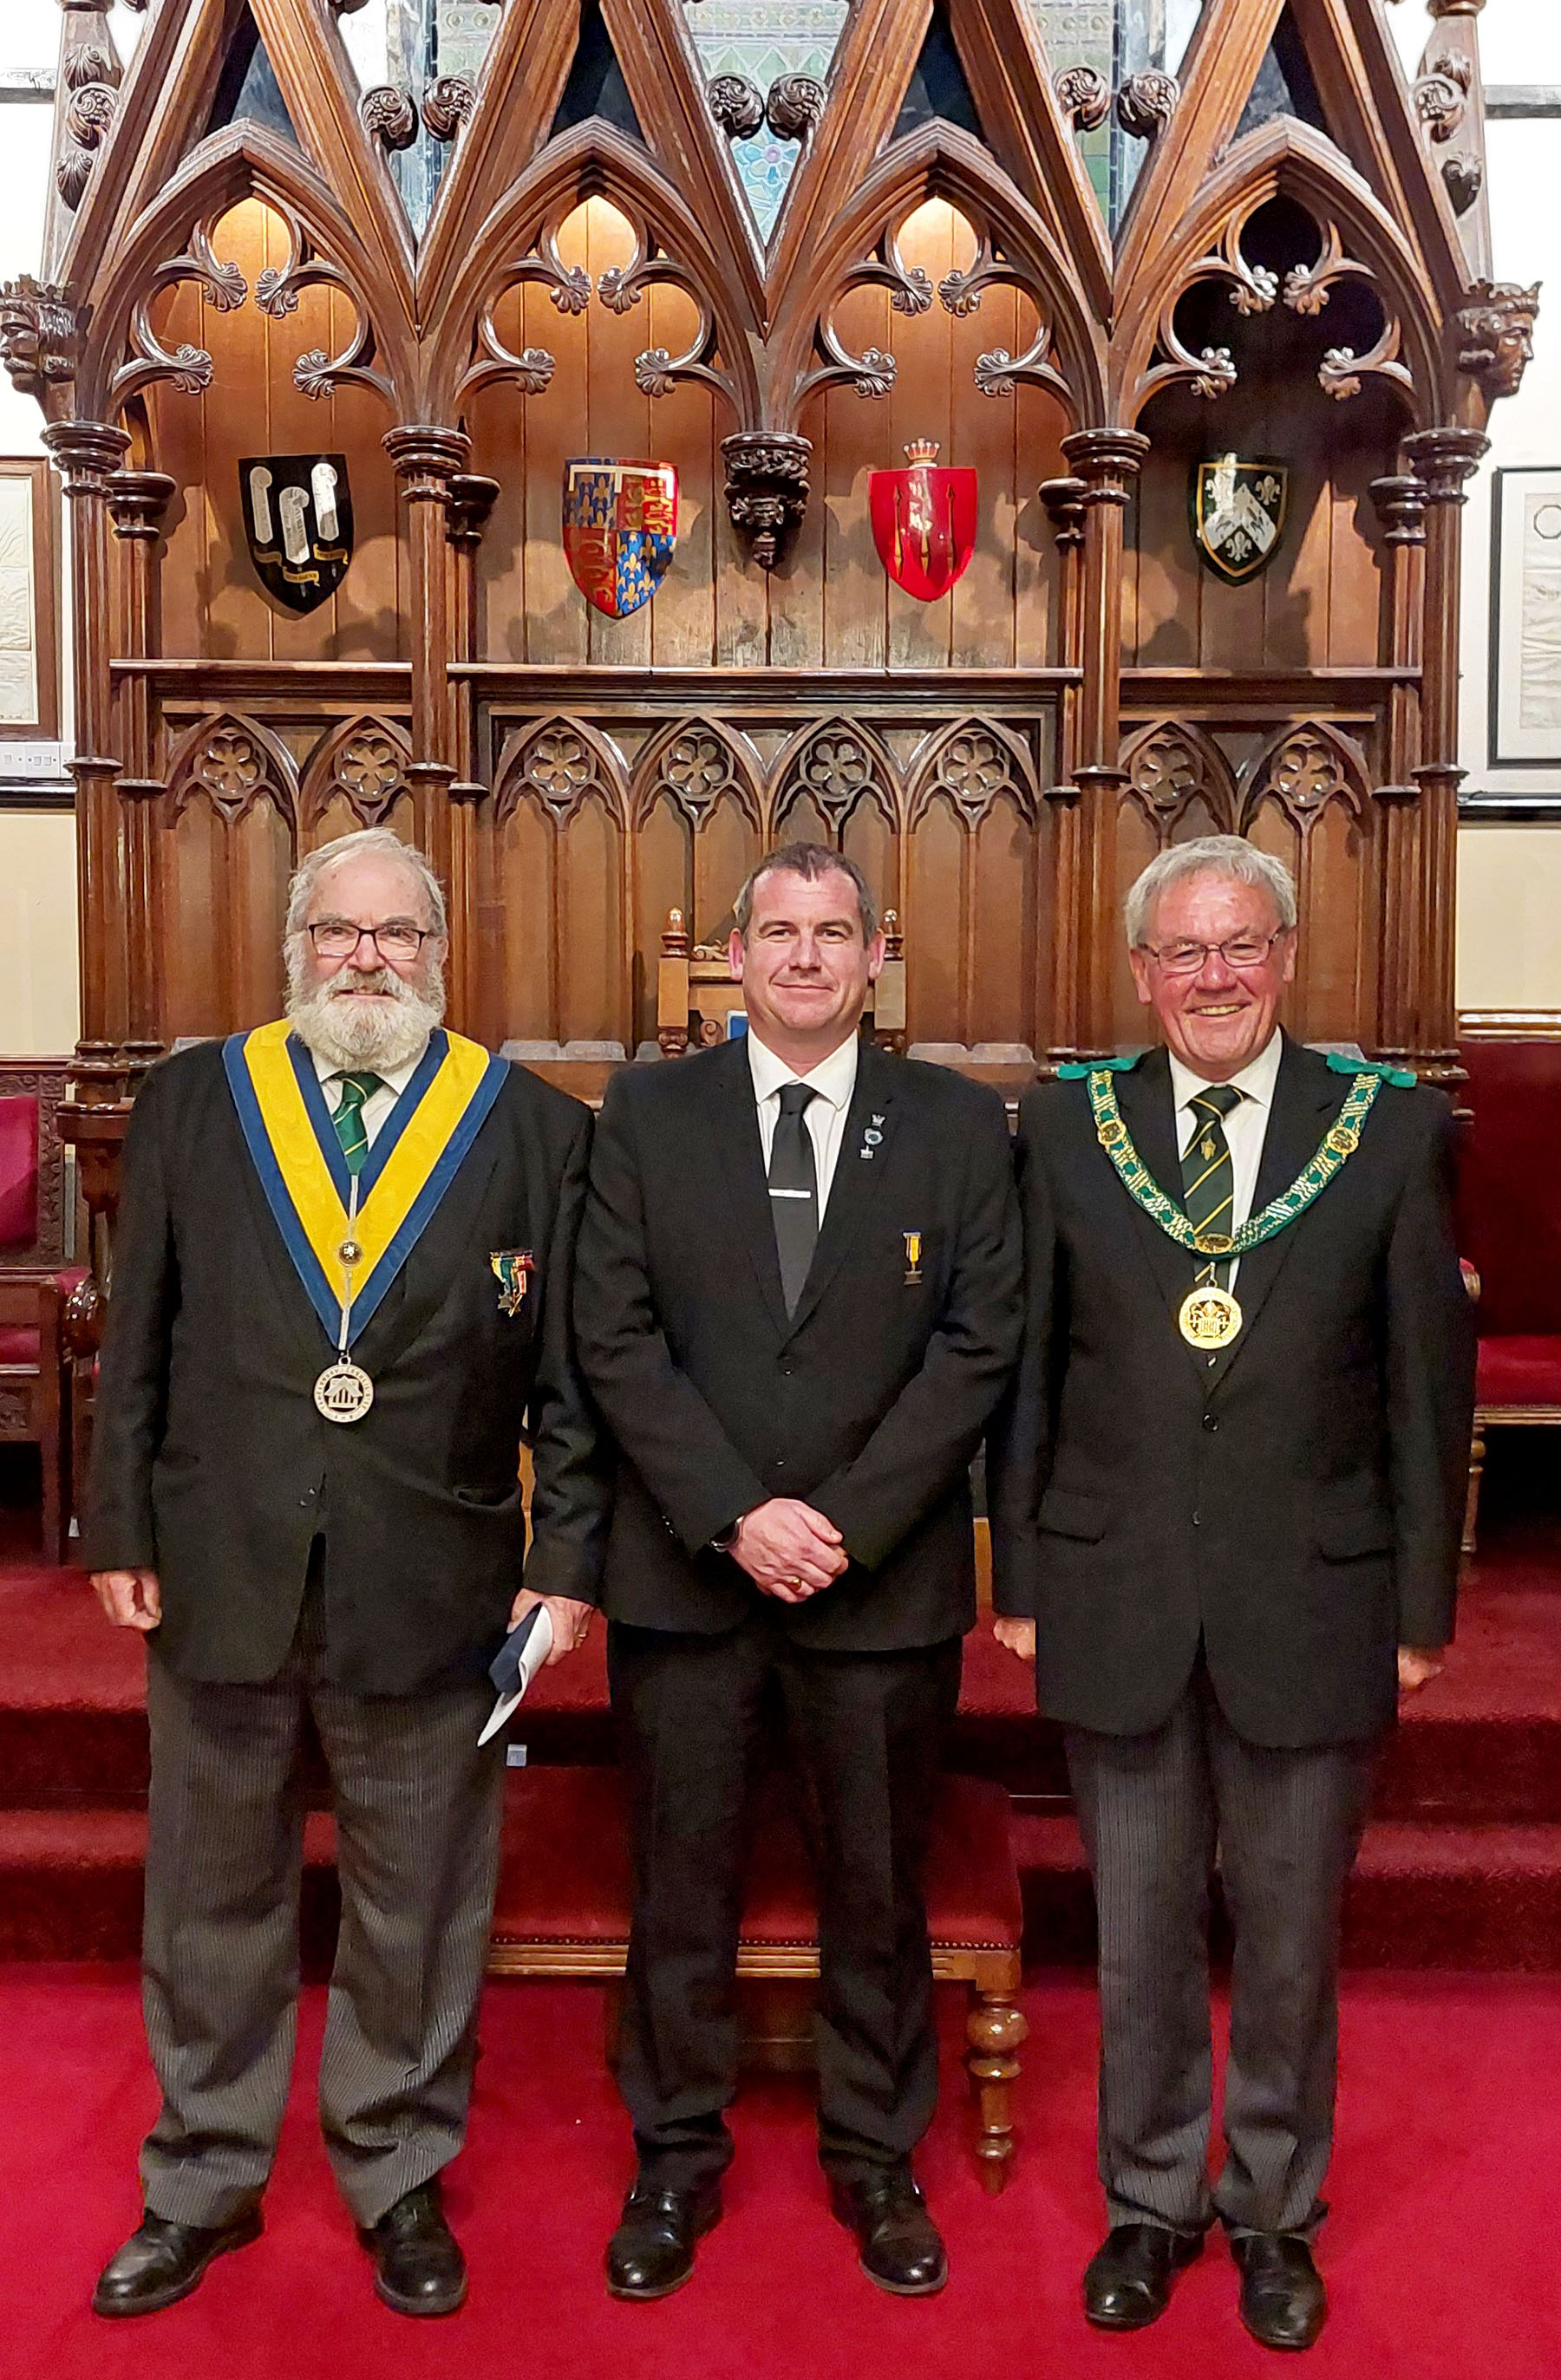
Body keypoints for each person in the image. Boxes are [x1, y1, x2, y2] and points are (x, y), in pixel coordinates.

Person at [86, 827, 606, 2320]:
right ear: (295, 946)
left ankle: (393, 2170)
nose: (365, 959)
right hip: (222, 1566)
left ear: (438, 956)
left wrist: (563, 1560)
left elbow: (571, 1387)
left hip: (434, 1581)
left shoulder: (529, 1131)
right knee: (209, 1894)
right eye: (337, 932)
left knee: (419, 1902)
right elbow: (143, 1340)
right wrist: (118, 1525)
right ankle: (201, 2176)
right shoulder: (198, 1099)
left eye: (394, 935)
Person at [989, 835, 1473, 2352]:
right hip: (1117, 1587)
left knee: (1286, 1941)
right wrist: (1021, 1570)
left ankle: (1273, 2211)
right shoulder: (1072, 1128)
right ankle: (1149, 2203)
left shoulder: (1384, 1132)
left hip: (1314, 1599)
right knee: (1133, 1934)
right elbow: (1029, 1367)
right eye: (1184, 955)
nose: (1214, 979)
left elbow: (1423, 1387)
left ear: (1285, 955)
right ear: (1143, 975)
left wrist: (1419, 1612)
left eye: (1240, 948)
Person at [573, 841, 1022, 2303]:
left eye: (835, 933)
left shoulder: (957, 1123)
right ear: (734, 953)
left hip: (877, 1586)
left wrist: (846, 1521)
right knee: (681, 1880)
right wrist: (733, 1515)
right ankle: (674, 2156)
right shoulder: (646, 1112)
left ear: (877, 953)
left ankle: (876, 2159)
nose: (808, 958)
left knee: (876, 1886)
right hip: (689, 1577)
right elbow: (615, 1337)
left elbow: (979, 1343)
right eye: (780, 931)